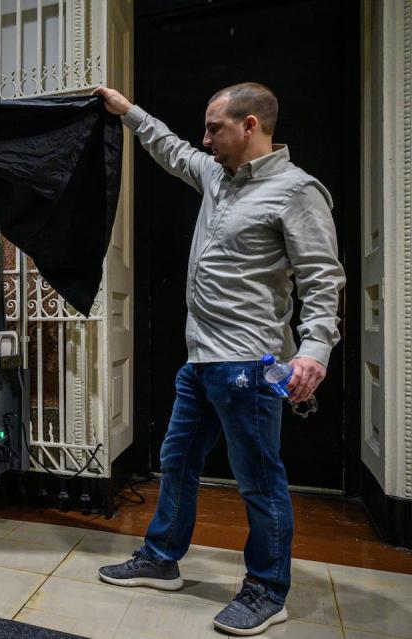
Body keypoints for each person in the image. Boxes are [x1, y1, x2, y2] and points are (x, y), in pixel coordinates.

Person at [91, 83, 345, 636]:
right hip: (201, 361)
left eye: (215, 128)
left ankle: (267, 590)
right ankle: (161, 558)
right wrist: (126, 110)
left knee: (258, 480)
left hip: (250, 367)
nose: (205, 139)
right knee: (176, 461)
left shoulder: (295, 191)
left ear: (251, 125)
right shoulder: (216, 176)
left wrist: (314, 351)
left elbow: (323, 279)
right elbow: (171, 148)